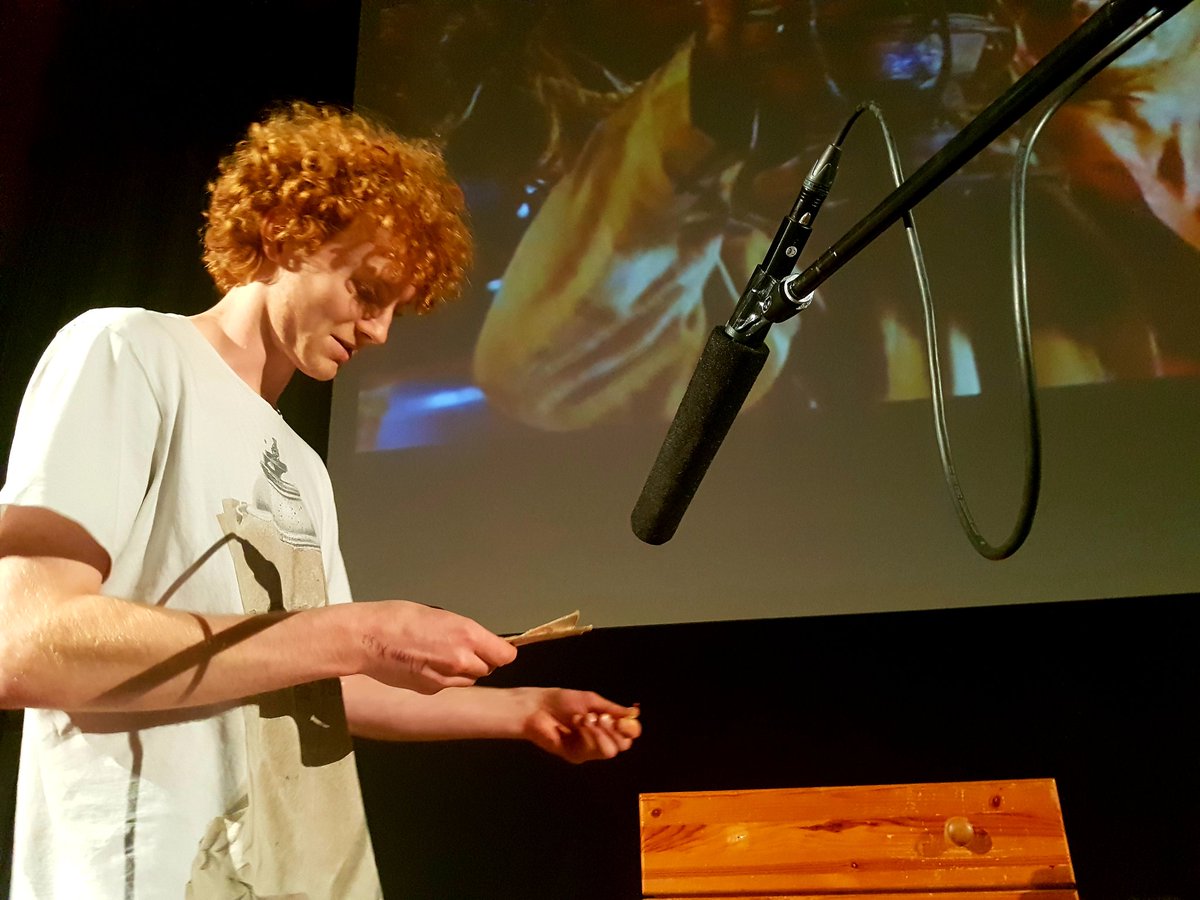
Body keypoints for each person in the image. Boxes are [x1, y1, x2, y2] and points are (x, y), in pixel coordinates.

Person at [0, 101, 640, 899]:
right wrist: (352, 631)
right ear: (284, 232)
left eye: (398, 306)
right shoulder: (129, 352)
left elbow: (320, 678)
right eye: (367, 289)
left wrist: (522, 710)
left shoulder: (301, 466)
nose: (379, 330)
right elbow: (24, 641)